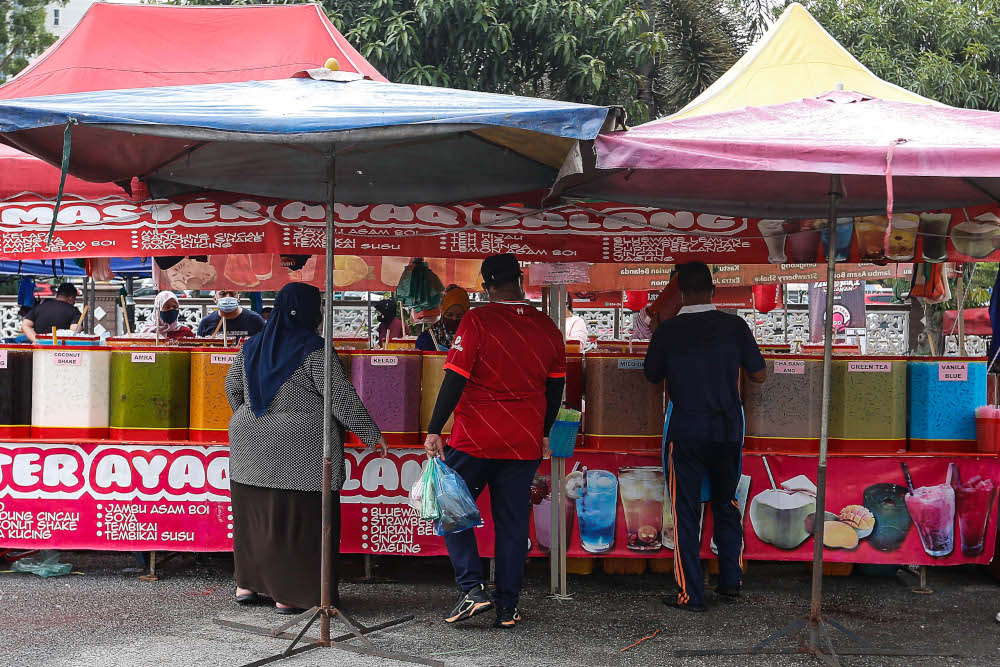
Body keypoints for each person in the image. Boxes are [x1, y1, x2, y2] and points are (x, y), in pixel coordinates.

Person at [225, 283, 388, 614]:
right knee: (299, 525)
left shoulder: (252, 346)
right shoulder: (314, 350)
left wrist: (257, 423)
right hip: (302, 456)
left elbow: (232, 389)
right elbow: (339, 397)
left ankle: (248, 586)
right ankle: (290, 595)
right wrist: (370, 433)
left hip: (248, 448)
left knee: (256, 521)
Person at [423, 253, 565, 629]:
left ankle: (472, 589)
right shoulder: (547, 326)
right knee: (513, 524)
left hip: (475, 438)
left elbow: (454, 378)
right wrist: (545, 430)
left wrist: (435, 427)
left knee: (450, 508)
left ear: (486, 287)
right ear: (520, 280)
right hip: (523, 441)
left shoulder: (477, 320)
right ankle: (507, 608)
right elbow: (556, 387)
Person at [642, 262, 766, 613]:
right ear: (713, 291)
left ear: (680, 293)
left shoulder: (670, 330)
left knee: (686, 512)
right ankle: (730, 581)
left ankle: (691, 593)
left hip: (686, 431)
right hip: (728, 430)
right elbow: (758, 375)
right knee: (726, 504)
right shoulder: (735, 326)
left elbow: (651, 376)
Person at [415, 286, 470, 351]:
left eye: (459, 316)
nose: (454, 319)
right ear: (443, 312)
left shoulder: (473, 336)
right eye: (449, 315)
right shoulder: (428, 337)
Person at [197, 290, 265, 340]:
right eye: (222, 294)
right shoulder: (206, 322)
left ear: (239, 297)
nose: (227, 298)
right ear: (215, 298)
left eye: (232, 294)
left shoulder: (255, 320)